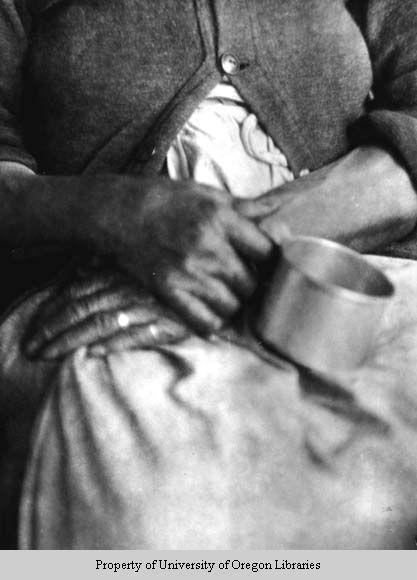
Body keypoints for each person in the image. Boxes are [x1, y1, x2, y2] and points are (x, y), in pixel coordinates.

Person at [1, 0, 417, 548]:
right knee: (154, 497)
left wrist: (239, 243)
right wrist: (121, 215)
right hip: (99, 300)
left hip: (352, 276)